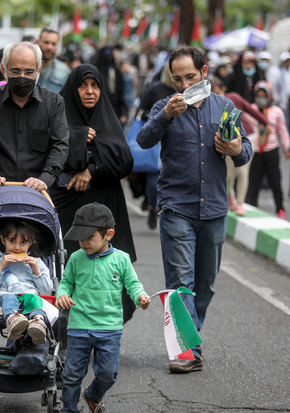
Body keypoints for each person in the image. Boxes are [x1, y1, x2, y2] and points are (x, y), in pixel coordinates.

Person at [137, 46, 252, 373]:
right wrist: (166, 116)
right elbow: (144, 140)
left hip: (214, 208)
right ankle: (187, 351)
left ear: (205, 72)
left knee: (207, 283)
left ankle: (190, 333)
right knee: (180, 283)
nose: (185, 83)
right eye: (178, 78)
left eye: (191, 76)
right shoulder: (165, 106)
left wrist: (235, 148)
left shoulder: (225, 106)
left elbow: (245, 150)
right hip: (176, 207)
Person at [51, 63, 138, 325]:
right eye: (82, 86)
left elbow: (123, 160)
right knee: (68, 267)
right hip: (68, 206)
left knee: (108, 270)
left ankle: (103, 327)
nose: (90, 92)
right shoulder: (58, 118)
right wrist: (77, 137)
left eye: (95, 86)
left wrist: (91, 169)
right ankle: (65, 327)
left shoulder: (106, 118)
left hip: (105, 203)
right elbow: (53, 154)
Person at [56, 202, 150, 413]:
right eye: (80, 238)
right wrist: (62, 294)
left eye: (89, 237)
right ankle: (68, 409)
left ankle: (92, 394)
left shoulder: (122, 259)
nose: (84, 243)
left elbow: (132, 284)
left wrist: (140, 296)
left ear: (108, 234)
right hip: (79, 324)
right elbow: (66, 283)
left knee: (108, 374)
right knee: (71, 374)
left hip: (109, 327)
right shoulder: (76, 258)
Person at [0, 41, 69, 193]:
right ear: (3, 70)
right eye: (15, 71)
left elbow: (60, 145)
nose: (22, 77)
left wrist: (45, 179)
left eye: (29, 72)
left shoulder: (54, 103)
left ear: (39, 70)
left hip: (40, 195)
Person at [0, 220, 52, 344]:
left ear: (31, 242)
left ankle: (37, 322)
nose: (17, 248)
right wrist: (1, 267)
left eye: (23, 242)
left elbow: (47, 291)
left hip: (29, 300)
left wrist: (36, 271)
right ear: (3, 240)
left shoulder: (37, 262)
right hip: (2, 300)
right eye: (12, 241)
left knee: (37, 299)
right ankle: (13, 320)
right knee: (9, 297)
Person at [210, 77, 267, 216]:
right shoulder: (210, 106)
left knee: (242, 172)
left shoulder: (233, 98)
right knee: (229, 175)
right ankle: (231, 197)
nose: (218, 97)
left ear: (224, 89)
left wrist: (265, 123)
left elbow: (250, 109)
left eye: (219, 92)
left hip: (247, 138)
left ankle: (240, 203)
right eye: (213, 94)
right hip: (227, 143)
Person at [138, 64, 176, 229]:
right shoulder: (155, 89)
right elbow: (141, 111)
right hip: (155, 143)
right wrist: (161, 116)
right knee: (153, 181)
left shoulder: (190, 94)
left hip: (176, 145)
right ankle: (152, 207)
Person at [245, 80, 290, 219]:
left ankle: (280, 209)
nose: (261, 98)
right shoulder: (250, 110)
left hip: (272, 150)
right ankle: (251, 207)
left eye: (264, 95)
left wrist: (287, 147)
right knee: (253, 181)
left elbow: (282, 130)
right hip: (256, 150)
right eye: (258, 95)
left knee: (275, 180)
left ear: (269, 95)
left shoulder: (276, 111)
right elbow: (245, 128)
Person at [94, 45, 128, 126]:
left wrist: (123, 112)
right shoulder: (96, 71)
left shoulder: (116, 71)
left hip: (115, 110)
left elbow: (121, 94)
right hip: (99, 112)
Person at [36, 27, 70, 93]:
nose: (49, 47)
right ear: (39, 42)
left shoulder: (64, 70)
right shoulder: (28, 67)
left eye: (53, 44)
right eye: (46, 42)